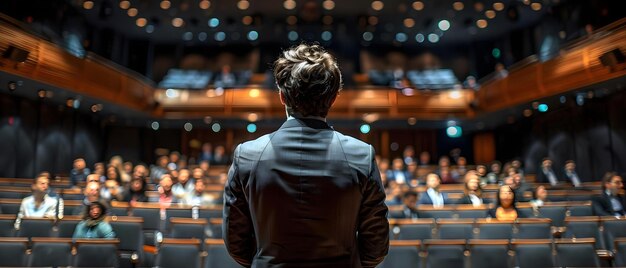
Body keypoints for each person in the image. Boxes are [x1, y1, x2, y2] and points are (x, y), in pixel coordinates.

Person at [223, 44, 388, 268]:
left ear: (282, 96)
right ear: (333, 99)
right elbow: (375, 247)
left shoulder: (247, 155)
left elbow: (236, 243)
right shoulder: (361, 155)